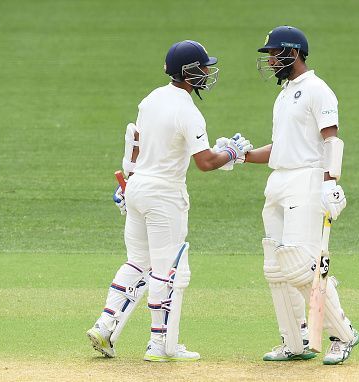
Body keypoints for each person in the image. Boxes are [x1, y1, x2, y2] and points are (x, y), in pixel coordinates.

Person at [86, 40, 253, 362]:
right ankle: (159, 345)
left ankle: (104, 326)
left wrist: (129, 183)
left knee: (136, 262)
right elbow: (204, 163)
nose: (207, 72)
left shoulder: (151, 99)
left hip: (137, 190)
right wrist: (232, 152)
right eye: (204, 67)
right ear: (190, 72)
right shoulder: (188, 111)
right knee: (166, 271)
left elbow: (135, 142)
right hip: (164, 196)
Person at [244, 25, 359, 365]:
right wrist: (241, 155)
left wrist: (330, 182)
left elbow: (331, 140)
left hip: (307, 180)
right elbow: (281, 148)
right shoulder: (284, 95)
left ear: (293, 53)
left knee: (300, 264)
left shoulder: (317, 90)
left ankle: (343, 334)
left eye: (273, 54)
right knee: (276, 268)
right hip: (278, 182)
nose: (269, 61)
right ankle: (295, 341)